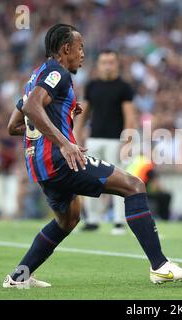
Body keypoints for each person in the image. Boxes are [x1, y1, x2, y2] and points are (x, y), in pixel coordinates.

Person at [4, 24, 182, 288]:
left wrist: (63, 116)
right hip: (60, 160)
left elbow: (15, 125)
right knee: (134, 186)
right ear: (65, 49)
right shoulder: (56, 72)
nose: (83, 53)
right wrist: (63, 142)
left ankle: (19, 277)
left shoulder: (35, 76)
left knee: (68, 219)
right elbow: (32, 107)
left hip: (39, 165)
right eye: (80, 47)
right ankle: (161, 267)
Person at [74, 49, 136, 234]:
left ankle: (118, 221)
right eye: (104, 62)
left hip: (116, 140)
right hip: (93, 140)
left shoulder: (124, 87)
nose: (107, 65)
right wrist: (76, 134)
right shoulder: (92, 86)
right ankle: (92, 220)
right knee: (90, 180)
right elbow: (84, 111)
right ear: (99, 65)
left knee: (119, 181)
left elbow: (129, 115)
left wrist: (127, 140)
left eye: (111, 62)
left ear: (117, 64)